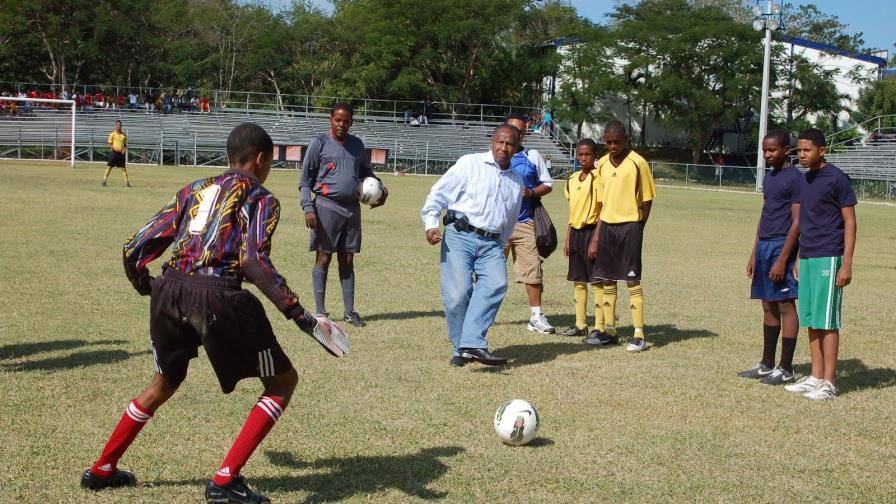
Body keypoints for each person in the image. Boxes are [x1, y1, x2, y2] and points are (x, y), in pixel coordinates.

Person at [80, 123, 348, 503]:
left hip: (170, 290)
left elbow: (135, 247)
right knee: (282, 383)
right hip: (217, 295)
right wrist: (302, 317)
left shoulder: (194, 189)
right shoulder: (261, 197)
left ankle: (102, 468)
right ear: (260, 159)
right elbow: (252, 261)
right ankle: (225, 481)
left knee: (162, 384)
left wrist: (147, 286)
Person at [421, 125, 524, 367]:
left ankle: (472, 342)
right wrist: (430, 224)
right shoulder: (469, 163)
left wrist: (501, 243)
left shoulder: (516, 181)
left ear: (516, 148)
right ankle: (462, 349)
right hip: (460, 235)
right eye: (500, 142)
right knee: (457, 295)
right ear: (492, 141)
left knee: (496, 284)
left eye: (509, 144)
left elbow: (511, 218)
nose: (503, 148)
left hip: (492, 242)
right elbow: (438, 194)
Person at [784, 128, 857, 400]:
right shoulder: (805, 181)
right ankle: (815, 376)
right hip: (809, 256)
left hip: (830, 255)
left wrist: (846, 262)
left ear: (822, 151)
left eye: (807, 150)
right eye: (799, 150)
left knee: (828, 321)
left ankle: (830, 380)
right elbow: (807, 221)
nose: (801, 155)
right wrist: (800, 255)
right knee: (812, 319)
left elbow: (850, 221)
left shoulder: (837, 179)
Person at [300, 103, 388, 327]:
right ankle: (320, 312)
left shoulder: (357, 145)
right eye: (338, 120)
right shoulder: (319, 144)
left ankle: (350, 312)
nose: (342, 124)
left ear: (351, 122)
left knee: (347, 259)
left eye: (346, 120)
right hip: (326, 207)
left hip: (351, 209)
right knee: (323, 257)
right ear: (331, 120)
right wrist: (308, 208)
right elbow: (304, 181)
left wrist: (381, 188)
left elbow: (366, 172)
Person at [586, 120, 656, 352]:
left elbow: (647, 199)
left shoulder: (638, 163)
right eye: (608, 142)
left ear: (626, 138)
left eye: (617, 141)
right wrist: (597, 235)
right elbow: (601, 201)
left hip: (630, 226)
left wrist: (638, 227)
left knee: (632, 279)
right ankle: (610, 331)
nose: (613, 145)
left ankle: (639, 335)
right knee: (607, 278)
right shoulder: (602, 164)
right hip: (606, 226)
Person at [739, 130, 801, 385]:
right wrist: (754, 252)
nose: (767, 155)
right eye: (765, 150)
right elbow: (764, 215)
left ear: (786, 150)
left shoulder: (796, 178)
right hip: (765, 246)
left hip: (781, 246)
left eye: (772, 150)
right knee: (767, 304)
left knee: (785, 303)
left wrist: (782, 259)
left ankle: (785, 367)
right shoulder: (770, 177)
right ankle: (766, 363)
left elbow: (797, 223)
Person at [503, 113, 555, 334]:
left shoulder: (532, 156)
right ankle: (480, 314)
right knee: (487, 271)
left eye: (521, 131)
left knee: (533, 272)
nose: (517, 135)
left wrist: (531, 192)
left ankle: (536, 316)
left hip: (525, 223)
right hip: (498, 224)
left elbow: (548, 183)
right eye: (513, 130)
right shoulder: (492, 156)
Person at [559, 139, 605, 338]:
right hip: (576, 233)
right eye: (580, 154)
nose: (583, 158)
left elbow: (603, 209)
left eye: (588, 154)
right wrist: (568, 238)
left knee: (596, 281)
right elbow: (573, 212)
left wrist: (596, 239)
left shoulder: (599, 178)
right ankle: (580, 324)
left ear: (595, 156)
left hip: (593, 231)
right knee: (578, 280)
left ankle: (600, 326)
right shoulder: (572, 179)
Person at [102, 120, 130, 187]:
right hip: (114, 153)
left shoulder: (124, 135)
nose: (118, 126)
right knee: (109, 167)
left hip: (121, 154)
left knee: (123, 168)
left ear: (121, 126)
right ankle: (104, 181)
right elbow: (109, 144)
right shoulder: (112, 134)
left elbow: (126, 145)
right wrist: (114, 148)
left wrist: (124, 149)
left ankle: (127, 183)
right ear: (115, 126)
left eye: (119, 125)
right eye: (117, 125)